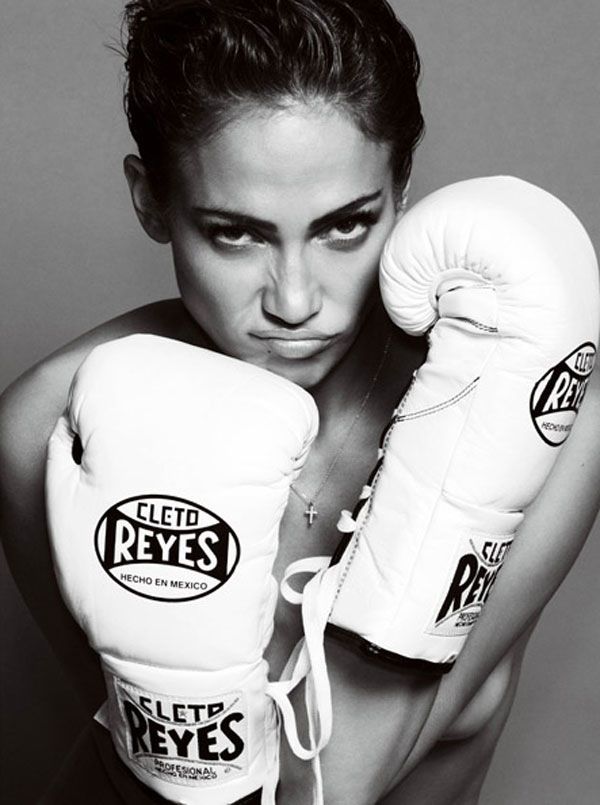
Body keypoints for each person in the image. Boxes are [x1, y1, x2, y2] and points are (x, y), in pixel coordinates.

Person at [1, 1, 599, 803]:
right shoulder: (50, 428)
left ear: (402, 189)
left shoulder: (534, 404)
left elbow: (333, 783)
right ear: (152, 202)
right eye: (235, 233)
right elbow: (172, 784)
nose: (294, 300)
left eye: (346, 225)